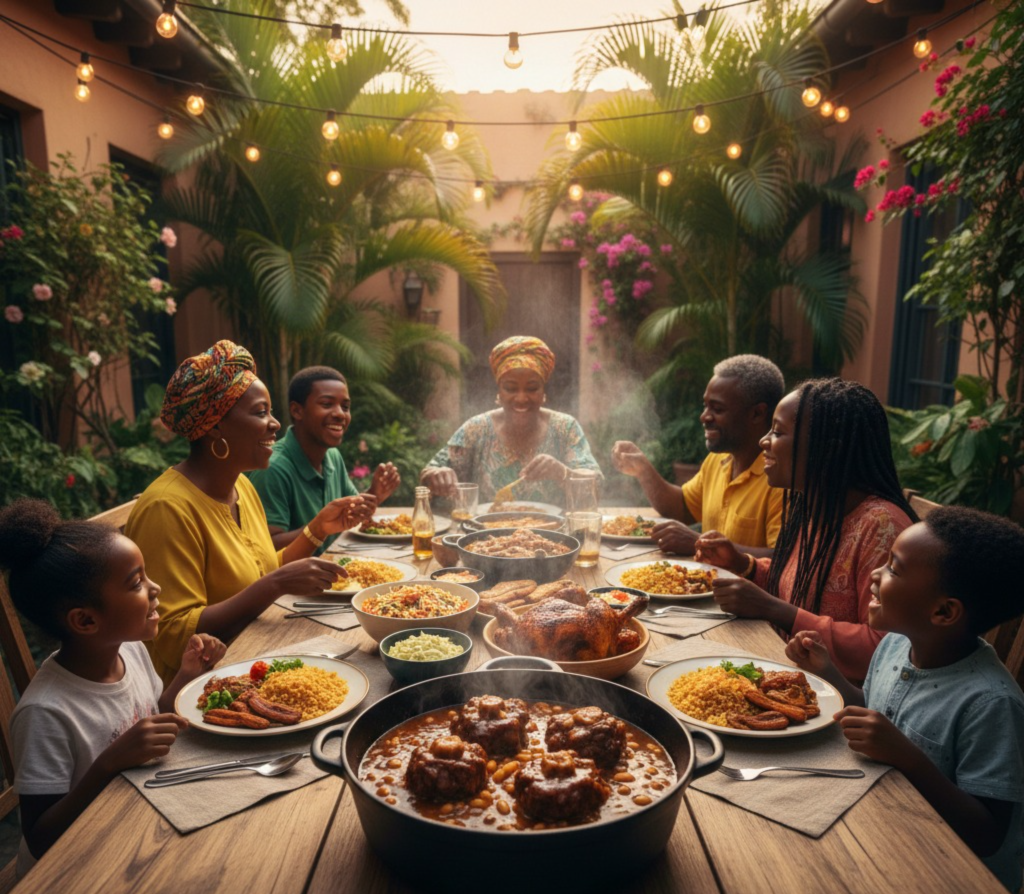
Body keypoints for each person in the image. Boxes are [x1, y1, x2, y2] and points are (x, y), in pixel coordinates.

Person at [785, 506, 1024, 891]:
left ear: (944, 611)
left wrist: (908, 757)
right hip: (887, 827)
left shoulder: (990, 703)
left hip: (950, 874)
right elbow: (872, 708)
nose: (876, 576)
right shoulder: (897, 644)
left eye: (893, 569)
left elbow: (988, 833)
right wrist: (827, 671)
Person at [0, 499, 227, 876]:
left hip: (132, 823)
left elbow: (153, 715)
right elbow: (40, 837)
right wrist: (108, 763)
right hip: (74, 868)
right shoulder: (46, 712)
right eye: (136, 582)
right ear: (86, 620)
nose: (155, 587)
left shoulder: (131, 651)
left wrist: (188, 674)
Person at [125, 340, 352, 684]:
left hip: (254, 656)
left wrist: (315, 531)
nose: (275, 424)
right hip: (202, 689)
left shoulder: (241, 486)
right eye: (261, 412)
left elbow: (260, 570)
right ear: (215, 425)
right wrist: (276, 584)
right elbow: (170, 636)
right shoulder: (167, 508)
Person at [696, 378, 916, 682]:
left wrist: (780, 611)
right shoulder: (816, 506)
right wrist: (743, 565)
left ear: (825, 448)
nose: (764, 441)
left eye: (778, 432)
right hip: (786, 671)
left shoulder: (882, 527)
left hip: (843, 706)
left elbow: (887, 648)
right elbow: (798, 582)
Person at [611, 354, 785, 557]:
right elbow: (681, 508)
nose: (704, 416)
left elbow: (784, 562)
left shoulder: (780, 479)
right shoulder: (718, 460)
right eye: (706, 406)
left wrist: (700, 543)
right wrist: (642, 469)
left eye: (717, 409)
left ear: (757, 414)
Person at [420, 335, 602, 504]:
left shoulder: (565, 427)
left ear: (543, 392)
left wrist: (562, 472)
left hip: (554, 535)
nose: (521, 398)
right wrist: (437, 476)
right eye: (510, 388)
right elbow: (427, 475)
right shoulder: (477, 428)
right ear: (499, 392)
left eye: (532, 388)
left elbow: (596, 487)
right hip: (486, 535)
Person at [249, 366, 400, 552]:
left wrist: (374, 494)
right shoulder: (273, 468)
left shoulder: (332, 456)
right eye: (327, 404)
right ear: (297, 411)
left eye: (345, 407)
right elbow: (266, 549)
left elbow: (345, 517)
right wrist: (320, 527)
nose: (340, 414)